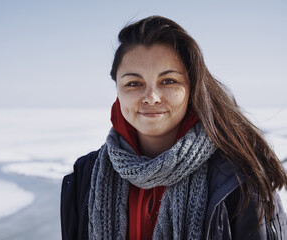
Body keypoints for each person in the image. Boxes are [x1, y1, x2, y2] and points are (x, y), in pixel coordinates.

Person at [60, 16, 287, 240]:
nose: (151, 97)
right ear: (117, 89)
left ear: (192, 88)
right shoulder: (86, 175)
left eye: (168, 81)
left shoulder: (238, 179)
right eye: (133, 83)